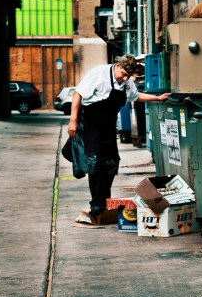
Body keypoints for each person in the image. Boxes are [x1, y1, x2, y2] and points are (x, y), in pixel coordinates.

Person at [67, 55, 170, 220]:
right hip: (91, 123)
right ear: (117, 66)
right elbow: (78, 94)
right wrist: (73, 121)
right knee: (96, 163)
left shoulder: (127, 82)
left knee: (112, 162)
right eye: (123, 73)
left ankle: (104, 201)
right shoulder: (99, 74)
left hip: (108, 127)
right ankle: (97, 206)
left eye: (128, 76)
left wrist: (157, 98)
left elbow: (135, 97)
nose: (125, 78)